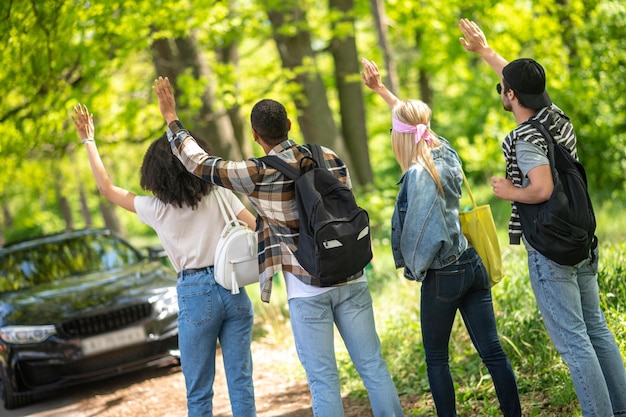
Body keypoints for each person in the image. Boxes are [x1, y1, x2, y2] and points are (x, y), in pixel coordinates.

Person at [152, 77, 404, 417]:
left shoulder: (257, 173)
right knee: (373, 366)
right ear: (289, 124)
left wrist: (172, 118)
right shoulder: (326, 155)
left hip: (307, 288)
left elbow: (201, 164)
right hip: (352, 275)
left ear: (256, 136)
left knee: (324, 379)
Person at [459, 18, 626, 416]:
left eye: (503, 88)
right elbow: (516, 80)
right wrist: (485, 50)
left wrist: (508, 192)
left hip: (551, 248)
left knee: (573, 341)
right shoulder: (556, 116)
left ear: (511, 94)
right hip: (580, 237)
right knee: (597, 329)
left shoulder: (524, 137)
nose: (501, 91)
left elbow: (542, 188)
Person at [71, 104, 258, 417]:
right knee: (241, 381)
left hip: (196, 293)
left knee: (199, 392)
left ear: (154, 174)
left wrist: (89, 141)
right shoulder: (219, 193)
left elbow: (107, 188)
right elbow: (257, 228)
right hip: (234, 286)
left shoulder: (155, 209)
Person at [360, 58, 521, 417]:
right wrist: (383, 92)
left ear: (399, 136)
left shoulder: (417, 176)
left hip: (443, 274)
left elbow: (420, 237)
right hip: (471, 262)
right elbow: (415, 121)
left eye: (392, 130)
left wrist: (414, 269)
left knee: (436, 360)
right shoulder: (445, 154)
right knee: (493, 351)